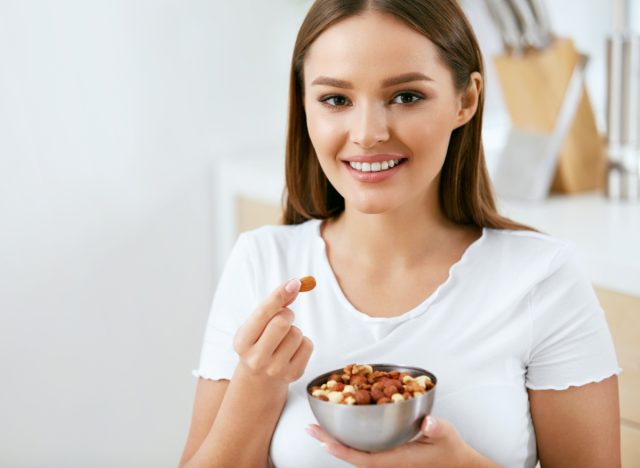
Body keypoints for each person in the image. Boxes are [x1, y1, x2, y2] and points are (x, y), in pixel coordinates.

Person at [179, 0, 621, 466]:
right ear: (304, 104)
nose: (367, 133)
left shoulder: (541, 279)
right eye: (336, 100)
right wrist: (256, 386)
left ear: (465, 100)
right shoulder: (261, 265)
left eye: (406, 96)